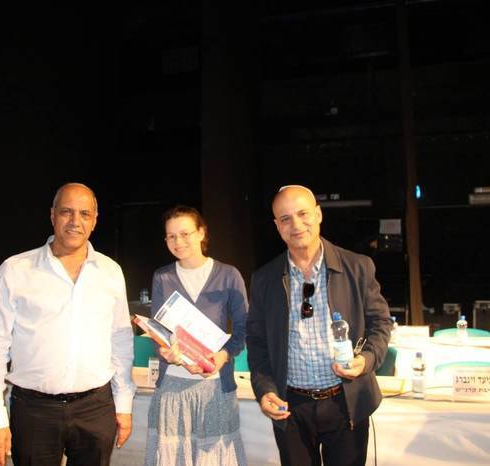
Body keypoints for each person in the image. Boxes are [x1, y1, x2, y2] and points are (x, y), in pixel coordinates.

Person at [0, 183, 136, 466]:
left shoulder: (111, 272)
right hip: (34, 411)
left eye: (85, 214)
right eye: (66, 212)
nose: (75, 221)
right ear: (52, 215)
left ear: (95, 220)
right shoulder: (16, 269)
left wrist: (123, 404)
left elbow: (120, 340)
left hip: (96, 410)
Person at [246, 185, 392, 466]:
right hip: (290, 406)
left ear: (318, 214)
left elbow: (381, 324)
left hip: (346, 401)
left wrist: (366, 359)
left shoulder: (357, 267)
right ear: (277, 226)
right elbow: (257, 342)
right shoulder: (265, 279)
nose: (296, 224)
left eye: (303, 214)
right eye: (285, 218)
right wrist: (264, 389)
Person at [145, 205, 248, 466]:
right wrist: (165, 351)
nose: (178, 241)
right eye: (171, 236)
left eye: (185, 234)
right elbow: (159, 331)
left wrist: (223, 355)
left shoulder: (228, 275)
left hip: (214, 387)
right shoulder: (162, 277)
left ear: (201, 233)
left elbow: (243, 328)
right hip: (172, 386)